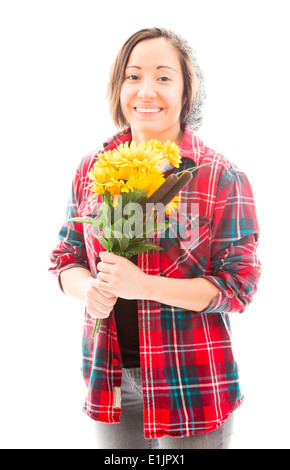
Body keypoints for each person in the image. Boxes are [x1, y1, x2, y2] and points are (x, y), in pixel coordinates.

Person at [49, 28, 261, 449]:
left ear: (186, 93)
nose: (147, 90)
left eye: (164, 77)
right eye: (133, 76)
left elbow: (238, 288)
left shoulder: (220, 177)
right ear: (119, 88)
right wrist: (87, 288)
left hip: (192, 381)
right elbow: (65, 257)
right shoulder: (93, 168)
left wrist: (142, 286)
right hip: (107, 377)